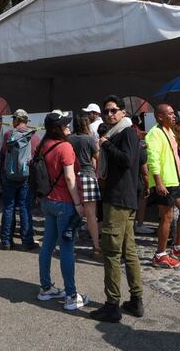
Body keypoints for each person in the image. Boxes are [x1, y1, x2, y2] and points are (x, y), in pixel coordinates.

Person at [90, 95, 143, 323]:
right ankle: (136, 300)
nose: (109, 114)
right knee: (128, 251)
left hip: (119, 199)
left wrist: (106, 145)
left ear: (123, 112)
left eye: (113, 110)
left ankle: (112, 305)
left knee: (111, 252)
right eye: (106, 111)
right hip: (123, 198)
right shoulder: (119, 133)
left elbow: (127, 160)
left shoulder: (126, 133)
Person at [35, 112, 89, 311]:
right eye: (64, 125)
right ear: (57, 128)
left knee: (47, 245)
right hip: (65, 202)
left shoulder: (43, 144)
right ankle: (71, 295)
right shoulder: (64, 147)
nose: (68, 127)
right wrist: (78, 203)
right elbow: (69, 177)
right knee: (66, 249)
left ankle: (46, 287)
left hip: (48, 201)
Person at [145, 104, 180, 268]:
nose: (174, 116)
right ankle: (160, 254)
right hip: (164, 182)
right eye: (170, 113)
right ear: (160, 117)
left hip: (174, 180)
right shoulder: (154, 133)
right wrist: (158, 182)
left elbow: (175, 155)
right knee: (167, 217)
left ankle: (178, 247)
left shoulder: (170, 131)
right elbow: (152, 159)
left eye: (174, 113)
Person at [0, 109, 39, 250]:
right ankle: (27, 241)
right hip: (26, 177)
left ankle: (6, 241)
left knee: (8, 207)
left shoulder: (8, 134)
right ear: (26, 121)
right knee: (25, 208)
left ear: (16, 120)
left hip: (9, 175)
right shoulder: (34, 137)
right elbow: (36, 158)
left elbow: (4, 153)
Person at [68, 113, 101, 256]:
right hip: (88, 175)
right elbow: (98, 158)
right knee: (91, 215)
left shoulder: (69, 139)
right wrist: (98, 173)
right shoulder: (89, 139)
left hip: (73, 176)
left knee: (73, 213)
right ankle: (96, 246)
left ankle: (70, 245)